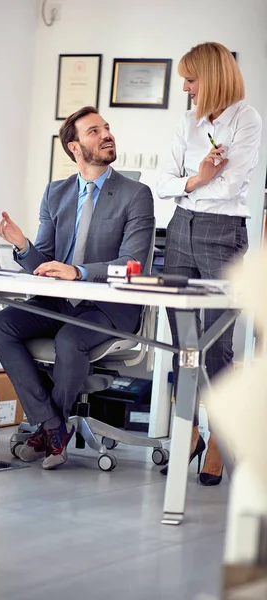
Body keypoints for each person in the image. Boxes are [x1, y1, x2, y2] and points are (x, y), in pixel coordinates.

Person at [0, 106, 155, 470]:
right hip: (62, 303)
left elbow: (133, 264)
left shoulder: (135, 194)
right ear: (76, 148)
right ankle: (53, 426)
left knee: (68, 340)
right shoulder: (56, 193)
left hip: (111, 309)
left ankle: (47, 429)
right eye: (94, 131)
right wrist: (22, 246)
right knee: (0, 325)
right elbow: (44, 266)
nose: (106, 135)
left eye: (107, 128)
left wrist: (77, 272)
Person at [156, 42, 262, 485]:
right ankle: (189, 434)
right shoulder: (186, 121)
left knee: (217, 345)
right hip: (180, 230)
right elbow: (162, 184)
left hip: (222, 235)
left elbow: (233, 185)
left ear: (214, 78)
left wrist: (191, 185)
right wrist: (198, 178)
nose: (185, 88)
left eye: (192, 79)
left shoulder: (247, 119)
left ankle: (219, 437)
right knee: (182, 339)